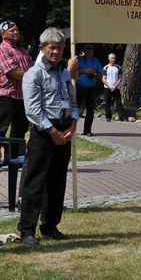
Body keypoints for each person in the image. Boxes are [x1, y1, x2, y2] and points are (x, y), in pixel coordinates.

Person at [18, 27, 78, 246]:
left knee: (57, 181)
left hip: (64, 129)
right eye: (53, 47)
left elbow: (72, 102)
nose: (57, 51)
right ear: (42, 48)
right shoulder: (34, 74)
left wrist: (72, 124)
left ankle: (50, 225)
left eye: (60, 47)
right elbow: (32, 110)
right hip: (44, 132)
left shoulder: (63, 72)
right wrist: (53, 133)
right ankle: (27, 229)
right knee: (35, 181)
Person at [0, 20, 33, 157]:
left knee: (20, 129)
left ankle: (13, 159)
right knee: (1, 129)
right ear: (3, 33)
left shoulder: (22, 50)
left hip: (23, 96)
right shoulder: (3, 49)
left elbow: (32, 69)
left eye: (17, 29)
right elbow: (14, 72)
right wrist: (34, 79)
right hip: (7, 96)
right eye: (12, 30)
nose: (16, 32)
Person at [69, 44, 103, 136]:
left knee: (90, 110)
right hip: (79, 86)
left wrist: (94, 73)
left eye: (92, 48)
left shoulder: (96, 61)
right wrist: (84, 71)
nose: (90, 50)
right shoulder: (78, 60)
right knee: (74, 108)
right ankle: (71, 129)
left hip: (91, 87)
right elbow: (71, 72)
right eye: (87, 48)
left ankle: (87, 130)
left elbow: (101, 76)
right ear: (84, 49)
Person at [102, 53, 127, 122]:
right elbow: (103, 79)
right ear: (109, 59)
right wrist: (109, 86)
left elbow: (120, 78)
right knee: (107, 103)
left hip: (116, 88)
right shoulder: (105, 67)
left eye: (114, 58)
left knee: (118, 102)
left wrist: (115, 86)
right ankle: (108, 117)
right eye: (112, 58)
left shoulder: (118, 67)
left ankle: (122, 117)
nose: (113, 59)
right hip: (107, 87)